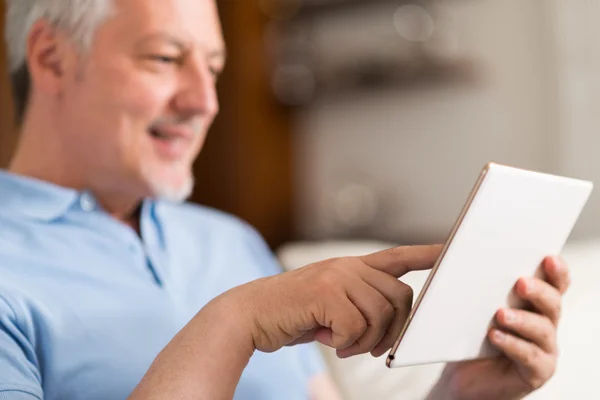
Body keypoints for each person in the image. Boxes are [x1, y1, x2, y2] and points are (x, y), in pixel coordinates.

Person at [0, 1, 570, 399]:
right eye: (165, 59)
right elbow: (239, 320)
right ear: (52, 57)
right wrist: (234, 322)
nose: (205, 102)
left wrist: (457, 395)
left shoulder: (229, 242)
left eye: (215, 68)